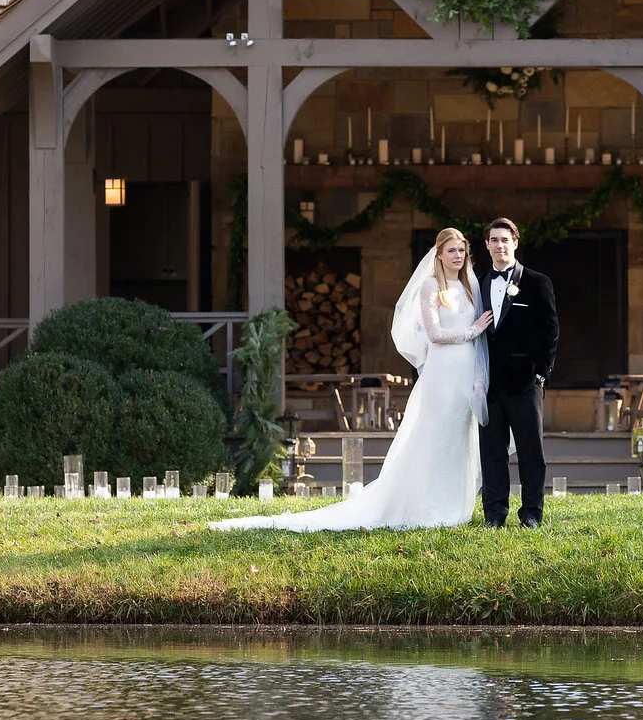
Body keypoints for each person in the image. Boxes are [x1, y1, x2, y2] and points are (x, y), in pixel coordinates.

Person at [210, 228, 492, 533]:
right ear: (439, 255)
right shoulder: (430, 287)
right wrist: (472, 331)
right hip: (441, 375)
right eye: (451, 251)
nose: (457, 256)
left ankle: (454, 506)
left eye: (462, 251)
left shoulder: (469, 286)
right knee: (436, 438)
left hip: (463, 375)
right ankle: (427, 506)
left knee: (457, 438)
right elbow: (435, 334)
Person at [478, 217, 559, 529]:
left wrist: (542, 374)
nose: (500, 245)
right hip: (488, 383)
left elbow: (550, 330)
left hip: (526, 381)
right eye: (494, 240)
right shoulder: (478, 283)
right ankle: (494, 514)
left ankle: (531, 514)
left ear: (515, 243)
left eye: (505, 240)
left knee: (530, 452)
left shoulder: (537, 282)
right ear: (486, 245)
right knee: (492, 453)